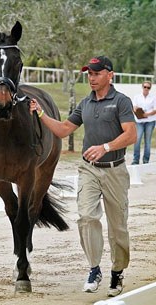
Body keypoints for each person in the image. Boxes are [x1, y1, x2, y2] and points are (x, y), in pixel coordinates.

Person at [29, 56, 137, 297]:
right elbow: (65, 129)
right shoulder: (85, 103)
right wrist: (40, 114)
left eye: (97, 73)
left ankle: (117, 271)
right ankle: (94, 269)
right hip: (88, 169)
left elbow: (131, 135)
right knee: (87, 216)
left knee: (118, 227)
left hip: (115, 171)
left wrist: (106, 147)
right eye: (89, 73)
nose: (92, 77)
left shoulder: (121, 101)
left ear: (110, 75)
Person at [131, 81, 156, 165]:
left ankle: (146, 160)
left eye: (148, 87)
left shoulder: (153, 97)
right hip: (139, 121)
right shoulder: (137, 97)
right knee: (137, 140)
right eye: (145, 87)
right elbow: (134, 107)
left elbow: (155, 110)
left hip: (150, 121)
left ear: (150, 89)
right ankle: (135, 160)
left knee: (147, 141)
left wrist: (146, 114)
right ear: (142, 87)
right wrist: (136, 109)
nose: (146, 89)